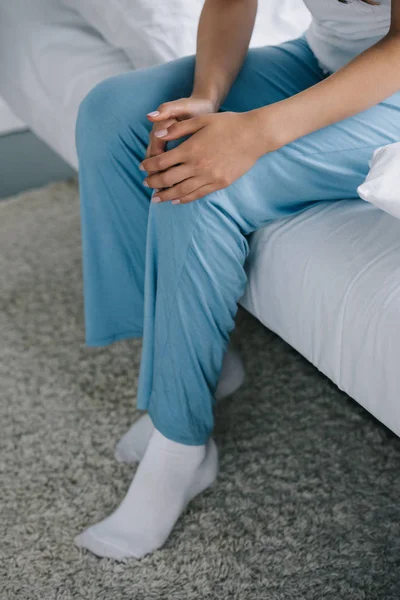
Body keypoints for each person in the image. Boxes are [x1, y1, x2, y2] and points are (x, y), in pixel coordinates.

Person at [75, 0, 400, 560]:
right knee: (113, 114)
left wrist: (255, 132)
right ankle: (187, 363)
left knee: (202, 180)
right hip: (321, 61)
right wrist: (207, 97)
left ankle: (181, 445)